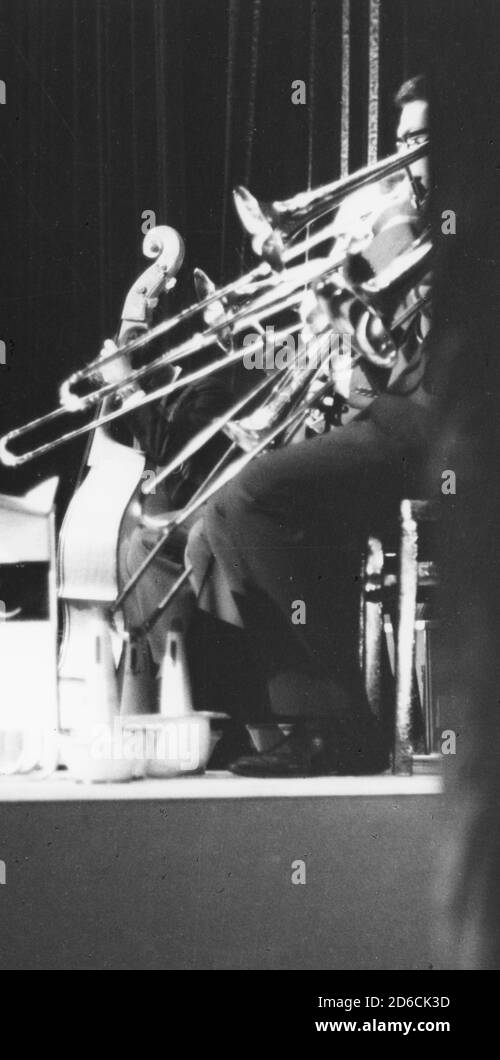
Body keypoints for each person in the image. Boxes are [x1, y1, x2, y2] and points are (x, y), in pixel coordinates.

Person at [184, 76, 434, 776]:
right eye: (403, 139)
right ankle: (266, 722)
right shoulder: (401, 218)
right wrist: (333, 305)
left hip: (443, 434)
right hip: (394, 419)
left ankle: (331, 724)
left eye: (425, 139)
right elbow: (387, 355)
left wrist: (383, 257)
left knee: (256, 497)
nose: (408, 154)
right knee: (216, 524)